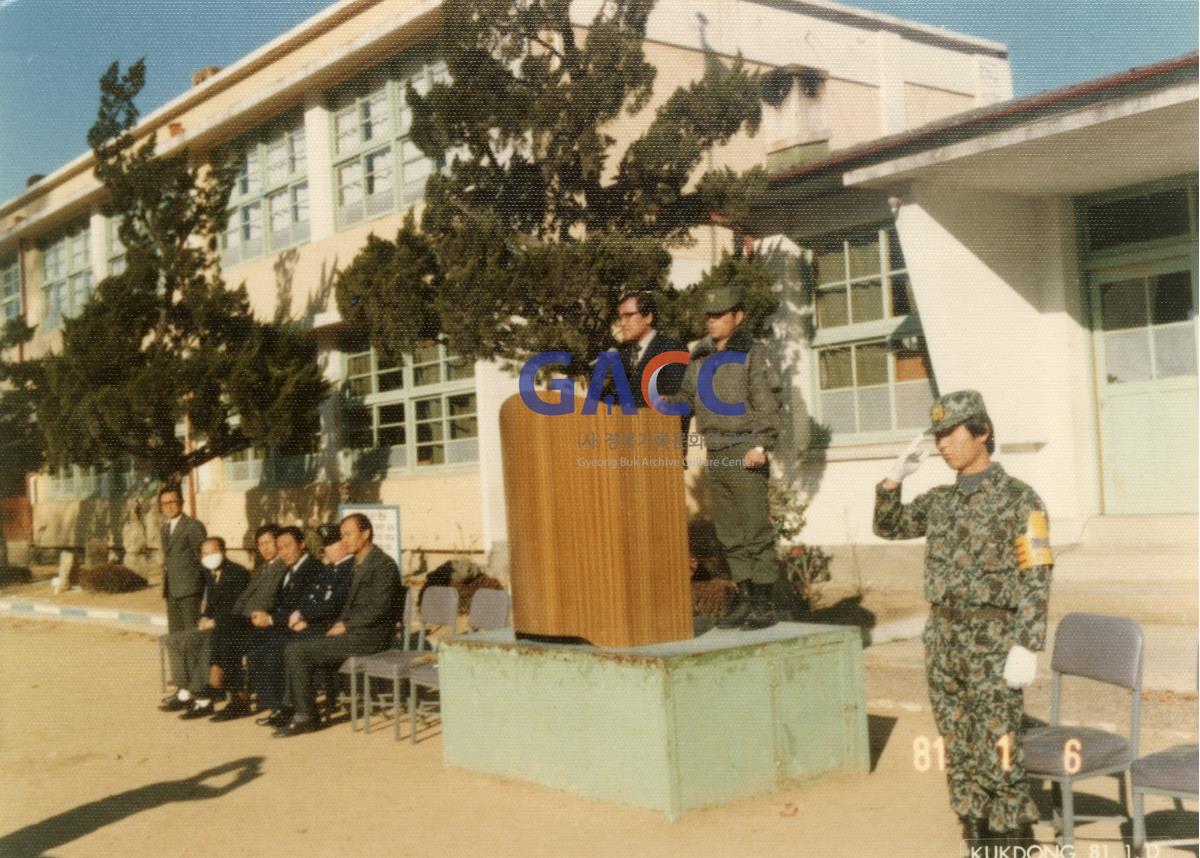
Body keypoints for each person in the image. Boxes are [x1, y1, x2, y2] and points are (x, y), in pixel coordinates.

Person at [873, 390, 1053, 851]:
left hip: (994, 639)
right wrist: (892, 482)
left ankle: (1014, 837)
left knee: (1000, 744)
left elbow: (1036, 572)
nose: (942, 446)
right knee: (956, 741)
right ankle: (975, 832)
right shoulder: (940, 502)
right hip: (945, 638)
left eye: (950, 434)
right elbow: (889, 526)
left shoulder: (1019, 499)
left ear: (983, 433)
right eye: (938, 437)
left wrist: (1027, 642)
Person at [670, 285, 783, 629]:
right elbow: (685, 400)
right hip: (716, 450)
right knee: (730, 532)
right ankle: (744, 600)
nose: (712, 322)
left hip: (745, 449)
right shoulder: (699, 356)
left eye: (719, 316)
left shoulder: (753, 353)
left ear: (738, 317)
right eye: (709, 316)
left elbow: (768, 402)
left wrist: (761, 446)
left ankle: (764, 603)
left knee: (754, 529)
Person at [275, 514, 401, 737]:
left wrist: (346, 625)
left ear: (366, 534)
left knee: (298, 650)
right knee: (297, 642)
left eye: (349, 534)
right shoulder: (358, 563)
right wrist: (340, 623)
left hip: (371, 636)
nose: (344, 540)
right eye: (342, 535)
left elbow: (379, 608)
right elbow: (348, 605)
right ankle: (300, 709)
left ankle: (306, 716)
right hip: (355, 632)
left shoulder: (383, 565)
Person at [212, 526, 320, 722]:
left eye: (285, 546)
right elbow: (248, 598)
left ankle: (272, 706)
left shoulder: (309, 567)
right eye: (280, 547)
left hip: (290, 626)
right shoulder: (281, 568)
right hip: (277, 622)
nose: (282, 551)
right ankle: (238, 691)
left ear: (302, 545)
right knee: (227, 627)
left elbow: (288, 604)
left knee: (256, 647)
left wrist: (268, 618)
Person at [252, 523, 352, 728]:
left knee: (287, 648)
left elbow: (333, 605)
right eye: (326, 545)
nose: (329, 549)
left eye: (334, 544)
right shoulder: (331, 568)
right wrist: (303, 616)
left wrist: (304, 616)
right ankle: (279, 706)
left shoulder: (349, 568)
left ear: (301, 545)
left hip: (329, 628)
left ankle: (291, 708)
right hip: (309, 623)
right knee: (259, 648)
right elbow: (312, 599)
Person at [183, 524, 284, 718]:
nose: (265, 548)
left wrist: (237, 618)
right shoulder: (263, 568)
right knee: (225, 628)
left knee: (226, 633)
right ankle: (232, 694)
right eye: (260, 544)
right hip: (245, 621)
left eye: (269, 543)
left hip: (263, 623)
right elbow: (243, 598)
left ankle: (224, 690)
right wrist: (234, 617)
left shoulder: (281, 567)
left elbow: (269, 599)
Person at [158, 537, 249, 712]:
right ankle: (185, 690)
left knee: (202, 643)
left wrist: (215, 621)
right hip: (213, 625)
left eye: (214, 552)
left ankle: (204, 699)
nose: (210, 556)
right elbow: (211, 605)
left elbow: (238, 607)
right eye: (205, 553)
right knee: (175, 640)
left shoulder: (237, 573)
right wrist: (204, 617)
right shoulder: (210, 573)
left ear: (223, 551)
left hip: (231, 627)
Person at [617, 291, 687, 408]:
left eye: (629, 316)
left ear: (648, 317)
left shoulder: (672, 350)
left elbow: (681, 402)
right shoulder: (623, 356)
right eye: (621, 317)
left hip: (658, 424)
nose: (623, 323)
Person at [158, 486, 207, 645]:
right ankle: (180, 670)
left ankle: (195, 670)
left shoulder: (193, 526)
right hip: (172, 590)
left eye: (173, 501)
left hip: (190, 591)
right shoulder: (165, 528)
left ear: (181, 502)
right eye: (164, 503)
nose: (169, 506)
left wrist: (205, 591)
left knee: (192, 636)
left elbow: (203, 559)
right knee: (176, 637)